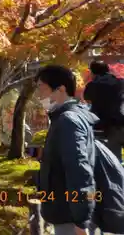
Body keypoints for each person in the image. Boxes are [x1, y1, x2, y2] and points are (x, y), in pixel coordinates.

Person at [36, 65, 97, 235]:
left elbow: (79, 170)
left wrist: (81, 220)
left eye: (42, 88)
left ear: (61, 89)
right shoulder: (71, 115)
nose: (39, 95)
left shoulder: (67, 121)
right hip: (65, 209)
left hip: (68, 216)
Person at [83, 60, 124, 163]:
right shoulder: (121, 82)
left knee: (114, 162)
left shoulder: (92, 85)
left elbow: (87, 99)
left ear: (92, 72)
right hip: (121, 121)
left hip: (106, 127)